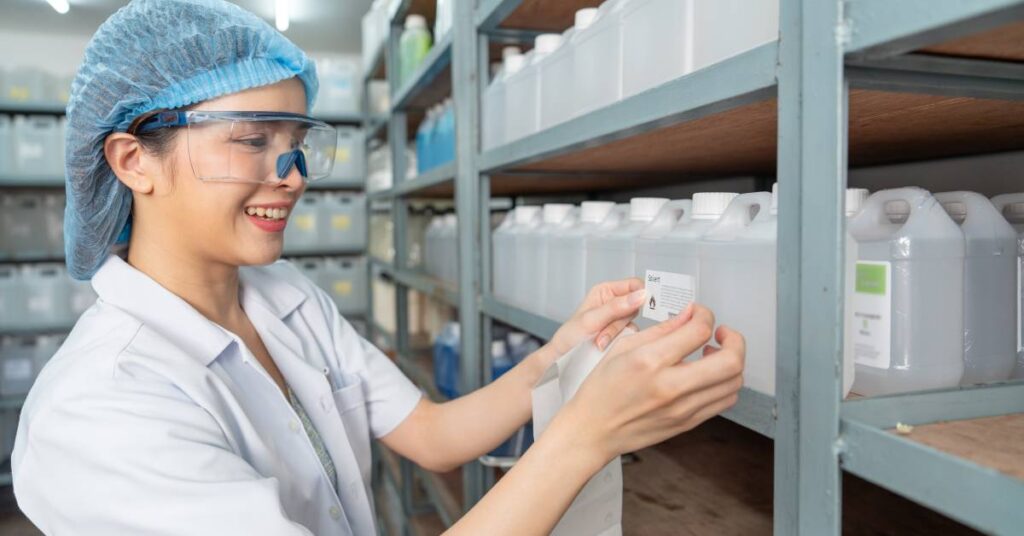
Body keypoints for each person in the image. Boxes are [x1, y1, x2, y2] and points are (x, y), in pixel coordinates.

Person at [11, 1, 745, 534]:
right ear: (134, 160)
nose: (293, 175)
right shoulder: (104, 410)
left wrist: (560, 356)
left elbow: (430, 434)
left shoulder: (283, 296)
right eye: (250, 140)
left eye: (294, 142)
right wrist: (587, 434)